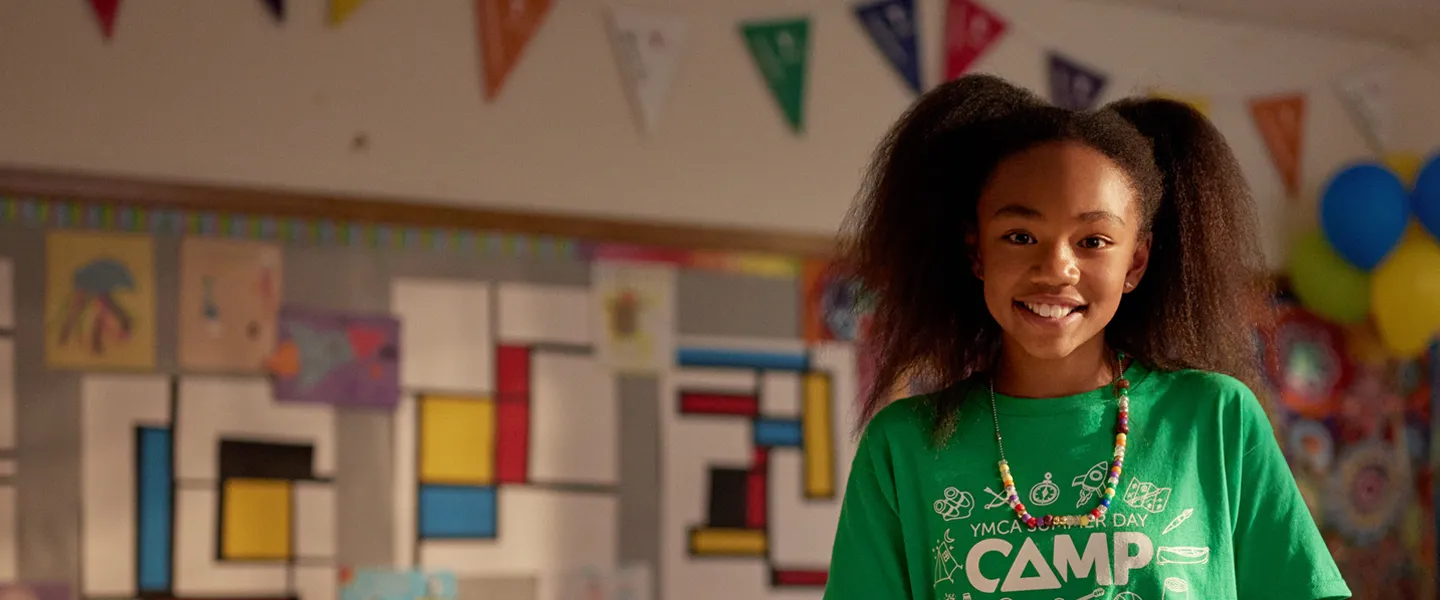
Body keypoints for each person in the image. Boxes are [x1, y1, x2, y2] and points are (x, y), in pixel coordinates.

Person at [824, 74, 1349, 599]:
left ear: (1135, 262)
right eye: (1020, 236)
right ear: (977, 251)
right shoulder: (903, 446)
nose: (1056, 268)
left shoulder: (1213, 418)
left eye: (1093, 240)